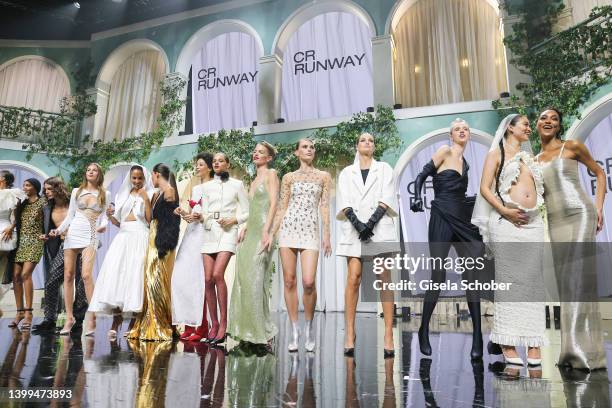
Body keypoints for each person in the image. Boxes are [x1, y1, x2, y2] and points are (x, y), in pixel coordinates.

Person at [535, 107, 607, 370]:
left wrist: (598, 208)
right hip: (555, 221)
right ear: (537, 123)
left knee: (577, 281)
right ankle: (574, 349)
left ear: (559, 125)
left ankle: (578, 353)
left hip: (580, 214)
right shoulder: (534, 160)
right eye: (544, 117)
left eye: (554, 119)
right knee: (566, 282)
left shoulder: (572, 146)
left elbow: (600, 174)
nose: (549, 121)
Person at [473, 113, 546, 365]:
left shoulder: (530, 157)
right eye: (525, 124)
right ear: (510, 128)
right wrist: (504, 210)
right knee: (510, 283)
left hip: (533, 224)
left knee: (534, 284)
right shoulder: (496, 154)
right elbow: (484, 188)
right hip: (506, 222)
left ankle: (534, 342)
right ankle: (507, 341)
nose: (529, 127)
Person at [410, 119, 487, 360]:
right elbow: (423, 174)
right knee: (438, 275)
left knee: (471, 276)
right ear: (451, 135)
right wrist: (417, 197)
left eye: (466, 128)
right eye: (457, 129)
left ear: (469, 135)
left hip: (462, 219)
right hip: (442, 216)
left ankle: (477, 338)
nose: (462, 130)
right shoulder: (445, 151)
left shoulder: (466, 163)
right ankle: (423, 329)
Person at [336, 132, 399, 357]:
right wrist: (358, 224)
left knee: (384, 279)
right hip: (355, 230)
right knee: (353, 278)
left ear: (374, 146)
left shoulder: (384, 169)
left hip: (379, 228)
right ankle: (350, 333)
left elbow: (387, 196)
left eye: (371, 140)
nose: (367, 143)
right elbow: (344, 201)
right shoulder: (346, 172)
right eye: (363, 140)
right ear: (357, 145)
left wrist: (370, 223)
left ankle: (389, 335)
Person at [273, 138, 332, 352]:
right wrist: (272, 233)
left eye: (312, 147)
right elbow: (282, 206)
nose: (309, 150)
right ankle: (295, 329)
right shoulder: (288, 177)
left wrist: (327, 233)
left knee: (308, 281)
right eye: (305, 147)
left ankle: (309, 326)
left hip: (310, 231)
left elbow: (324, 206)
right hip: (288, 229)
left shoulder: (324, 176)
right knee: (289, 281)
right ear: (297, 152)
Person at [89, 165, 153, 338]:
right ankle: (115, 323)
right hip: (123, 237)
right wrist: (110, 216)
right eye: (134, 178)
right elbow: (118, 222)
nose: (137, 181)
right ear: (130, 178)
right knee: (117, 277)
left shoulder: (150, 193)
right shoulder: (122, 194)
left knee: (134, 277)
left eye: (140, 178)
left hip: (140, 236)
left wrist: (146, 200)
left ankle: (133, 323)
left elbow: (149, 221)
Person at [193, 153, 249, 345]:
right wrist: (199, 216)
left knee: (218, 275)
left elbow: (249, 211)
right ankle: (214, 324)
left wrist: (234, 220)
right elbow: (204, 210)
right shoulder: (205, 187)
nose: (216, 163)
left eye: (221, 160)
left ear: (228, 164)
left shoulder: (237, 185)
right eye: (214, 161)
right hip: (210, 231)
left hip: (228, 231)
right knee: (207, 279)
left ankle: (224, 323)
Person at [228, 142, 279, 346]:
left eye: (261, 152)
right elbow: (252, 208)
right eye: (255, 151)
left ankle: (263, 333)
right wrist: (246, 227)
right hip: (251, 234)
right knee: (244, 281)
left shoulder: (271, 174)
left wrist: (267, 231)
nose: (256, 154)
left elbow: (274, 203)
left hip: (263, 232)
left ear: (269, 158)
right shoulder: (254, 179)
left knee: (257, 281)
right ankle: (247, 331)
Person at [50, 163, 111, 336]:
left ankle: (91, 316)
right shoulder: (77, 191)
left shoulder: (105, 194)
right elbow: (70, 216)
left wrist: (104, 226)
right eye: (88, 170)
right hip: (73, 234)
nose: (91, 172)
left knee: (85, 275)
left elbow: (105, 218)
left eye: (95, 170)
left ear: (99, 174)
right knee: (68, 276)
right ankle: (70, 318)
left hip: (91, 235)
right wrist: (58, 231)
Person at [127, 163, 180, 341]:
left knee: (156, 281)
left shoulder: (170, 192)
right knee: (149, 280)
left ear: (156, 175)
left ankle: (159, 324)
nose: (150, 180)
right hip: (152, 238)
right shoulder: (157, 194)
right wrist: (146, 201)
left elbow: (171, 223)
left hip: (162, 242)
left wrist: (164, 246)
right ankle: (148, 323)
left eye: (152, 176)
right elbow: (150, 220)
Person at [31, 177, 88, 334]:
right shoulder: (47, 207)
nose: (46, 192)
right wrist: (45, 235)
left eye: (49, 189)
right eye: (45, 189)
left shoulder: (74, 201)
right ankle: (50, 319)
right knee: (51, 280)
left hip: (82, 244)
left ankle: (78, 319)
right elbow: (46, 227)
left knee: (81, 283)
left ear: (58, 188)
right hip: (64, 245)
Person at [173, 152, 213, 341]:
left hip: (205, 235)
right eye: (196, 165)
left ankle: (202, 325)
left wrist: (201, 216)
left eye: (200, 164)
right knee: (183, 278)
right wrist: (183, 212)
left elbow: (215, 212)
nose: (197, 167)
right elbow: (191, 216)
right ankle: (188, 323)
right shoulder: (195, 188)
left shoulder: (215, 187)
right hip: (190, 235)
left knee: (199, 279)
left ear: (210, 167)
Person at [11, 178, 45, 330]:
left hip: (35, 241)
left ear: (35, 187)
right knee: (16, 276)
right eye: (24, 185)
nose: (24, 187)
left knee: (26, 274)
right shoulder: (22, 203)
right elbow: (16, 220)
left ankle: (29, 313)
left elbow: (49, 220)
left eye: (28, 185)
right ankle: (19, 312)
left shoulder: (43, 202)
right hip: (21, 241)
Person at [0, 171, 25, 320]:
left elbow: (18, 214)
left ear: (3, 179)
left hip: (5, 230)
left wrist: (12, 226)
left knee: (4, 270)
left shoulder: (12, 193)